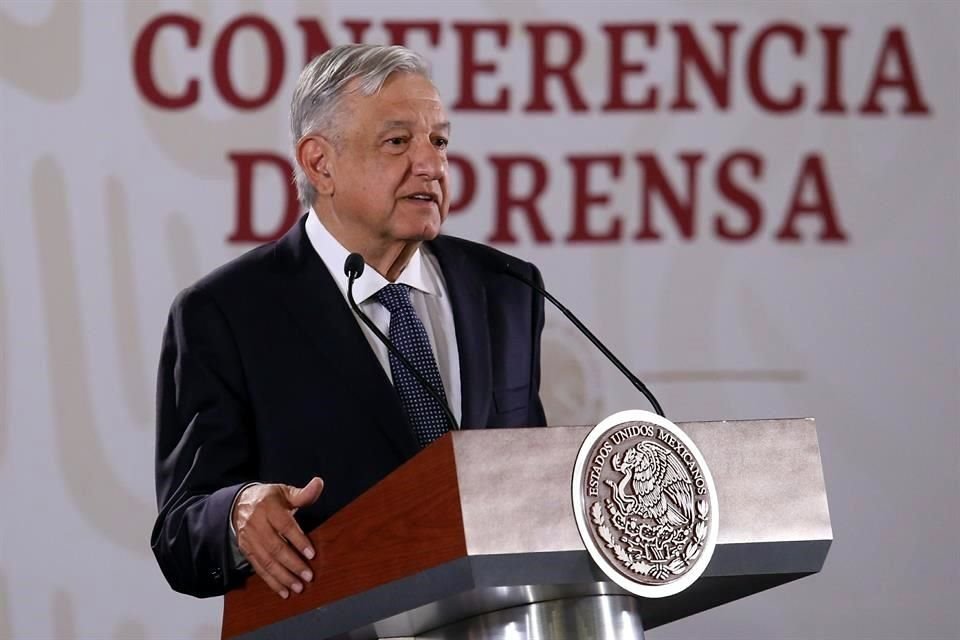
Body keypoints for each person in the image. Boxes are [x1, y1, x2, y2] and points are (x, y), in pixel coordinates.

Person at [151, 44, 547, 599]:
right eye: (397, 142)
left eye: (439, 141)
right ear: (320, 163)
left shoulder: (506, 289)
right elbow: (180, 532)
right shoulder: (226, 314)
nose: (431, 165)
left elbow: (534, 480)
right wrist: (238, 512)